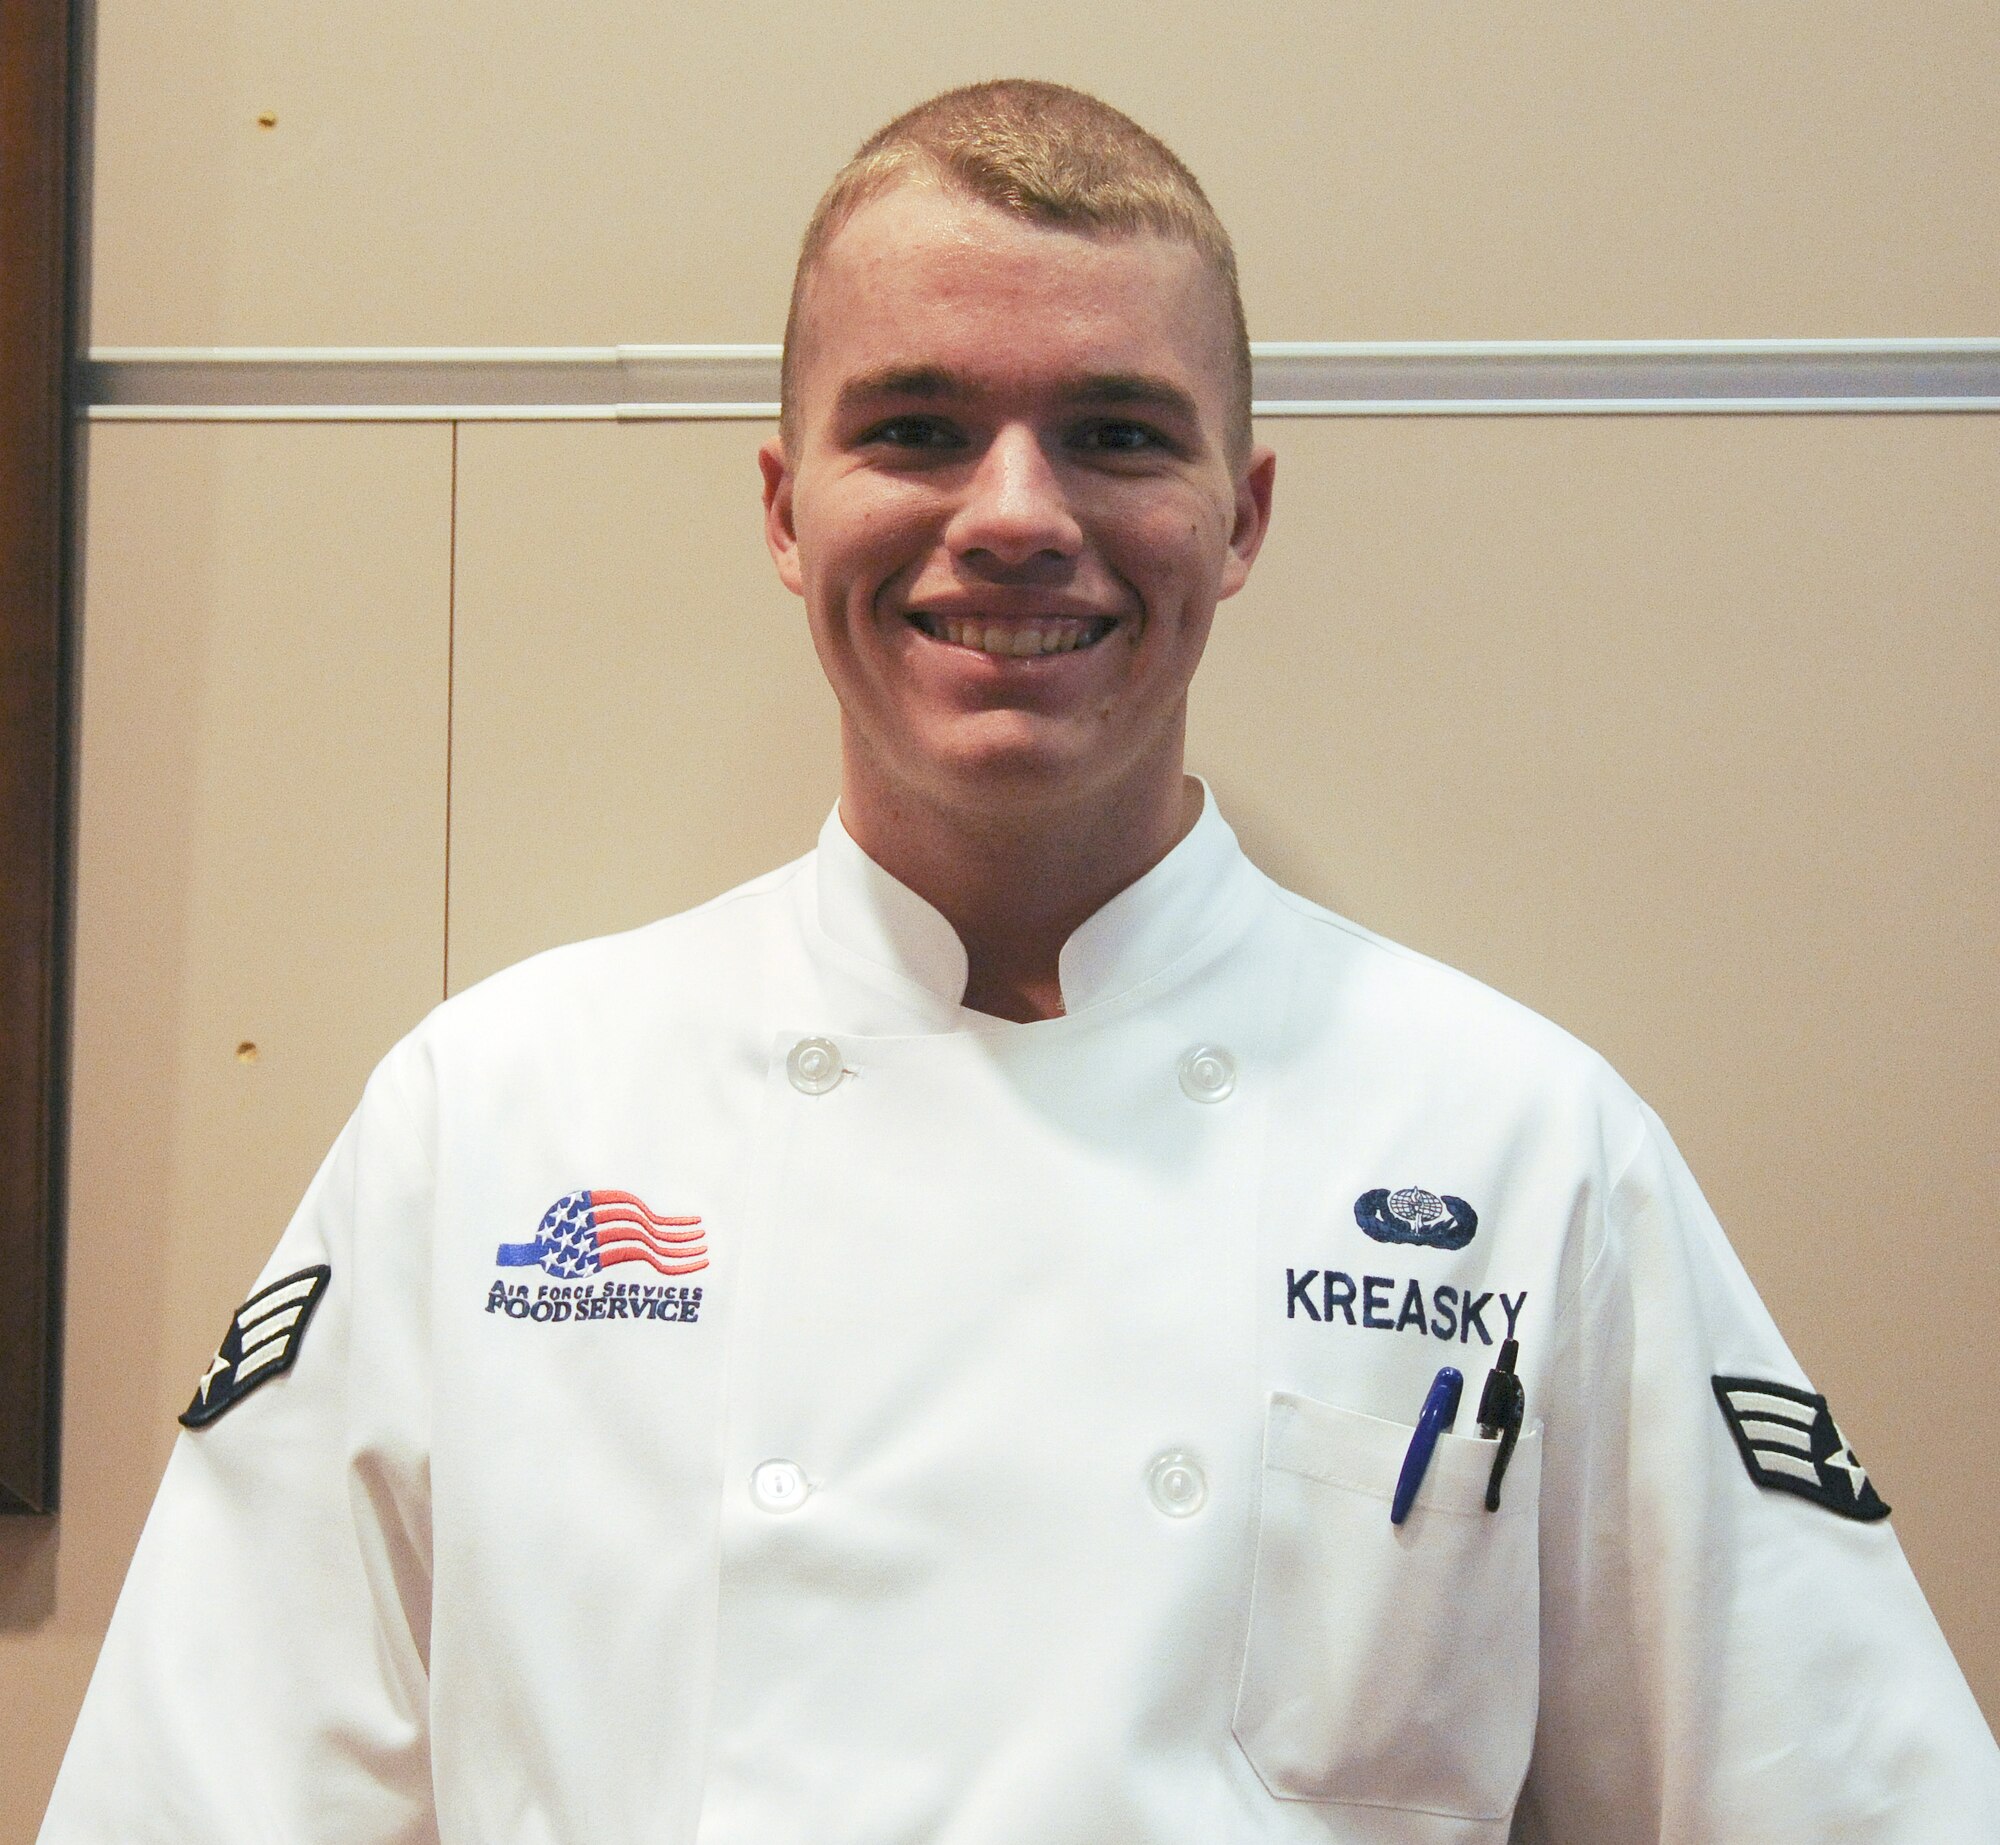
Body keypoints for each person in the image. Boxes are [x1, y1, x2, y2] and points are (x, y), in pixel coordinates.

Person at [39, 79, 2000, 1844]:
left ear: (1235, 518)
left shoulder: (1516, 1144)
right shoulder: (492, 1118)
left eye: (1113, 433)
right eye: (914, 427)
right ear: (784, 504)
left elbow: (1843, 1793)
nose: (1014, 516)